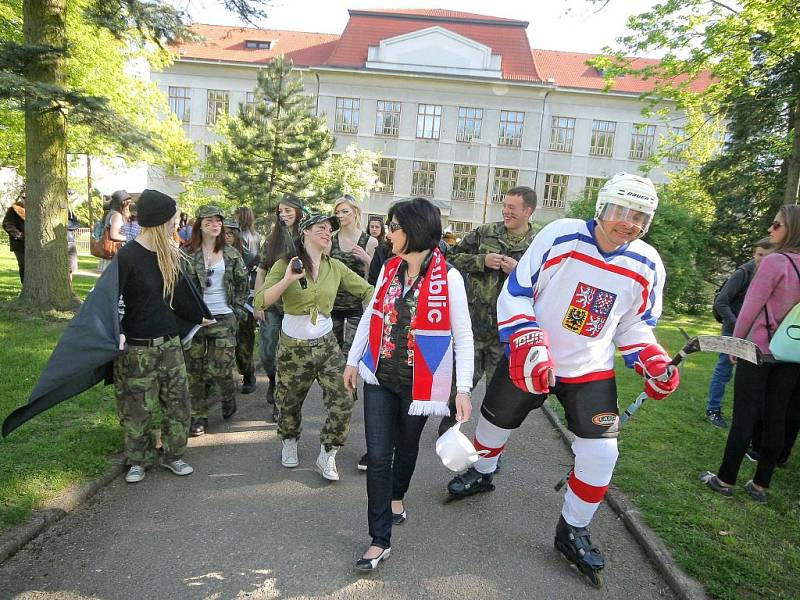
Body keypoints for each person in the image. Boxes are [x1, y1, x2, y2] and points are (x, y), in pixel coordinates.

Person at [445, 173, 677, 584]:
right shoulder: (561, 235)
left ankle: (572, 528)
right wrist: (528, 338)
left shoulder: (647, 263)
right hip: (531, 356)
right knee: (493, 424)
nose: (629, 222)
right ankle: (483, 471)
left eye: (639, 216)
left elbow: (634, 325)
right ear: (602, 207)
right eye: (621, 211)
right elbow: (516, 292)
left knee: (603, 455)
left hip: (589, 369)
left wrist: (652, 360)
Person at [344, 197, 474, 572]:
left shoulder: (448, 277)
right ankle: (378, 539)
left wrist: (461, 389)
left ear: (415, 230)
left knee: (408, 446)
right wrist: (353, 360)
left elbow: (462, 336)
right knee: (379, 456)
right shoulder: (387, 268)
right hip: (380, 378)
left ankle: (397, 495)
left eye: (395, 226)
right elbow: (372, 315)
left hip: (422, 386)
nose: (389, 232)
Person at [254, 213, 373, 481]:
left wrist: (389, 302)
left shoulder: (335, 267)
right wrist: (286, 280)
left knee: (344, 396)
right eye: (320, 228)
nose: (326, 232)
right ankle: (289, 440)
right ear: (305, 232)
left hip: (327, 344)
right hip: (293, 347)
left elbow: (367, 290)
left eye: (329, 229)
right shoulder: (287, 263)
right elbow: (261, 302)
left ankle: (328, 453)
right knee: (289, 402)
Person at [702, 205, 800, 503]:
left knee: (745, 414)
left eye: (777, 225)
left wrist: (736, 343)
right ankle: (761, 485)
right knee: (777, 417)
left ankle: (725, 479)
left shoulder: (774, 262)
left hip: (758, 349)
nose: (771, 230)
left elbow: (749, 309)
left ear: (792, 229)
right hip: (793, 352)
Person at [114, 189, 199, 483]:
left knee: (179, 404)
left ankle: (174, 456)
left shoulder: (170, 255)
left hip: (170, 346)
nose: (176, 223)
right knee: (138, 407)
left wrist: (200, 317)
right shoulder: (127, 256)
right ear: (160, 220)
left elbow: (183, 297)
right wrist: (119, 334)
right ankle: (139, 460)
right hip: (138, 349)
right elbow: (112, 301)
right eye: (172, 218)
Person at [441, 186, 537, 434]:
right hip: (474, 327)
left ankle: (490, 446)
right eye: (504, 206)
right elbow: (450, 256)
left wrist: (519, 272)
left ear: (528, 211)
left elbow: (548, 283)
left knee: (500, 395)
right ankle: (449, 429)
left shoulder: (538, 245)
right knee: (460, 384)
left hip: (507, 336)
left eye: (512, 208)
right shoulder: (486, 233)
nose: (506, 212)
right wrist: (480, 261)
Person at [185, 205, 249, 436]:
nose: (215, 225)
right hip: (195, 320)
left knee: (220, 367)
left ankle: (228, 393)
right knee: (194, 371)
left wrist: (238, 312)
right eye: (209, 221)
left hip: (223, 317)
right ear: (199, 224)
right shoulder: (187, 253)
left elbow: (244, 285)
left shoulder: (231, 254)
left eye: (218, 221)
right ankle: (198, 417)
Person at [705, 238, 774, 428]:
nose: (762, 260)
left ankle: (745, 416)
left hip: (755, 331)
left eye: (767, 256)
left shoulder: (771, 274)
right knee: (724, 369)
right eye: (759, 255)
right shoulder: (744, 272)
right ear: (754, 253)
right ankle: (713, 409)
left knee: (750, 374)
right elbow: (721, 303)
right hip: (733, 328)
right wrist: (738, 325)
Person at [253, 194, 306, 421]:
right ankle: (272, 380)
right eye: (280, 211)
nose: (284, 214)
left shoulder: (307, 237)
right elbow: (262, 271)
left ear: (298, 211)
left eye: (288, 210)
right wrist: (258, 301)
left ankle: (281, 400)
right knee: (267, 352)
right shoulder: (272, 240)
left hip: (297, 306)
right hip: (274, 304)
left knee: (290, 357)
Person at [330, 196, 378, 355]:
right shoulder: (331, 239)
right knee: (334, 351)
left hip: (357, 305)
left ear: (355, 213)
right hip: (333, 303)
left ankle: (348, 380)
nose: (340, 216)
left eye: (345, 211)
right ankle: (339, 380)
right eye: (337, 212)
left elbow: (377, 273)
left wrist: (367, 258)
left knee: (351, 351)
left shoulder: (369, 241)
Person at [224, 218, 259, 394]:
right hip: (221, 308)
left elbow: (253, 286)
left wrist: (246, 308)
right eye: (224, 233)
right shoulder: (214, 255)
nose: (227, 237)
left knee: (243, 344)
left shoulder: (249, 257)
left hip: (244, 308)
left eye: (230, 234)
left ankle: (248, 374)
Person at [98, 189, 130, 271]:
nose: (129, 205)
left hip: (111, 253)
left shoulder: (111, 213)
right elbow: (114, 235)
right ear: (123, 203)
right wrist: (129, 238)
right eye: (128, 203)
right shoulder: (117, 215)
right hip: (114, 252)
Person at [3, 189, 25, 282]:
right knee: (24, 265)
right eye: (23, 197)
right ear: (20, 197)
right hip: (19, 243)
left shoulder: (37, 209)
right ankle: (25, 287)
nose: (26, 199)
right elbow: (7, 224)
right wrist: (19, 235)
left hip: (35, 244)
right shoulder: (13, 209)